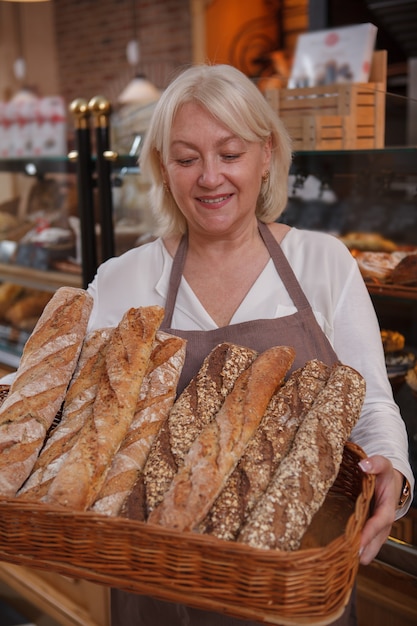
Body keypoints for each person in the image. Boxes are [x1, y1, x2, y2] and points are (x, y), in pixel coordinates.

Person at [85, 64, 413, 626]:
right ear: (164, 169)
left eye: (230, 154)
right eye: (187, 158)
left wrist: (396, 473)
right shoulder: (122, 280)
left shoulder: (323, 263)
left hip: (298, 576)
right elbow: (82, 423)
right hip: (159, 578)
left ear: (266, 155)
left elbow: (372, 406)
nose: (210, 177)